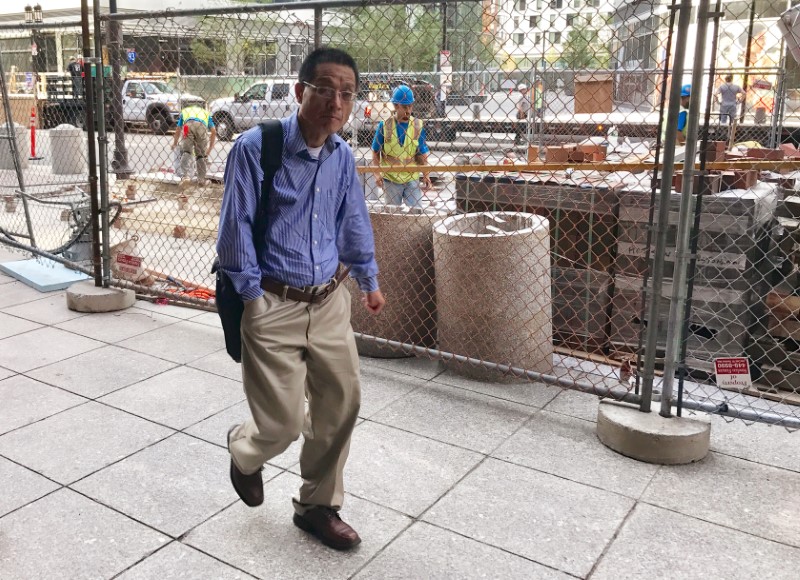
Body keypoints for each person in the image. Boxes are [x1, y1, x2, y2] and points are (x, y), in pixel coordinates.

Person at [217, 47, 385, 551]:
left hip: (331, 300)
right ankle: (245, 451)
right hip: (271, 302)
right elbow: (235, 229)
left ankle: (317, 506)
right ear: (299, 91)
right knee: (283, 423)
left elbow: (352, 220)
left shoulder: (341, 158)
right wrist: (251, 297)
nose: (336, 101)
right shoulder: (255, 148)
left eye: (347, 93)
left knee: (341, 404)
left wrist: (368, 279)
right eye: (325, 88)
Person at [371, 85, 432, 207]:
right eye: (405, 106)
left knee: (416, 213)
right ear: (395, 106)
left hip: (411, 178)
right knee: (393, 216)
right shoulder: (385, 126)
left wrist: (426, 175)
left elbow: (421, 153)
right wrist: (377, 174)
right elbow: (375, 152)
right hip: (391, 179)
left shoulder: (417, 125)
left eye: (410, 106)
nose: (408, 111)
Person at [172, 104, 216, 187]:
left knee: (186, 151)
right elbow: (214, 131)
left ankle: (185, 176)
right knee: (200, 155)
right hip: (201, 126)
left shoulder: (185, 112)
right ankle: (201, 180)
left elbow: (178, 129)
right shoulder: (206, 113)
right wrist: (209, 148)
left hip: (187, 126)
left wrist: (174, 143)